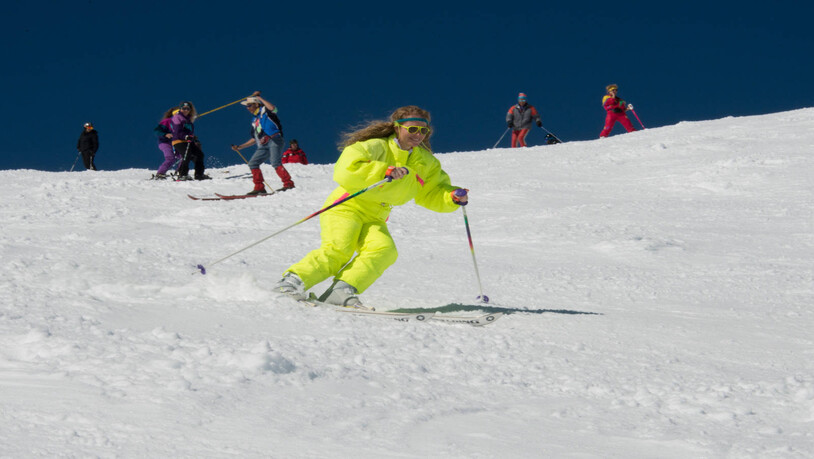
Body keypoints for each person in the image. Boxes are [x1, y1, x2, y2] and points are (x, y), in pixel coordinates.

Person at [274, 105, 469, 310]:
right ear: (397, 128)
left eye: (423, 130)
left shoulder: (426, 162)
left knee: (384, 250)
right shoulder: (376, 146)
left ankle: (341, 291)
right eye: (413, 129)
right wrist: (383, 170)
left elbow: (432, 191)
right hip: (347, 205)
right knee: (339, 249)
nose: (418, 134)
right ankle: (290, 283)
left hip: (376, 214)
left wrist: (452, 197)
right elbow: (346, 169)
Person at [231, 91, 294, 195]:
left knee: (275, 162)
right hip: (263, 145)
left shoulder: (266, 111)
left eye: (249, 105)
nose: (247, 108)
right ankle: (259, 187)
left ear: (256, 104)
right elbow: (254, 138)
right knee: (253, 163)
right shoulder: (254, 120)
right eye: (247, 106)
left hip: (274, 140)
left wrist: (259, 98)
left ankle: (288, 184)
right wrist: (240, 147)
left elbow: (274, 108)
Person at [171, 101, 210, 180]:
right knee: (187, 155)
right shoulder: (177, 117)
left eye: (187, 109)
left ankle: (199, 174)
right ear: (181, 109)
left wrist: (191, 137)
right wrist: (185, 136)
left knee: (199, 155)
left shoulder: (188, 119)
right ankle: (182, 174)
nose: (185, 110)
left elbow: (188, 131)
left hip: (188, 141)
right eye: (184, 108)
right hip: (178, 141)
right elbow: (177, 130)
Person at [152, 107, 180, 179]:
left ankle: (180, 172)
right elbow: (157, 130)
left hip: (175, 143)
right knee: (170, 158)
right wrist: (165, 134)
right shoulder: (167, 121)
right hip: (165, 143)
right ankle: (160, 173)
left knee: (183, 157)